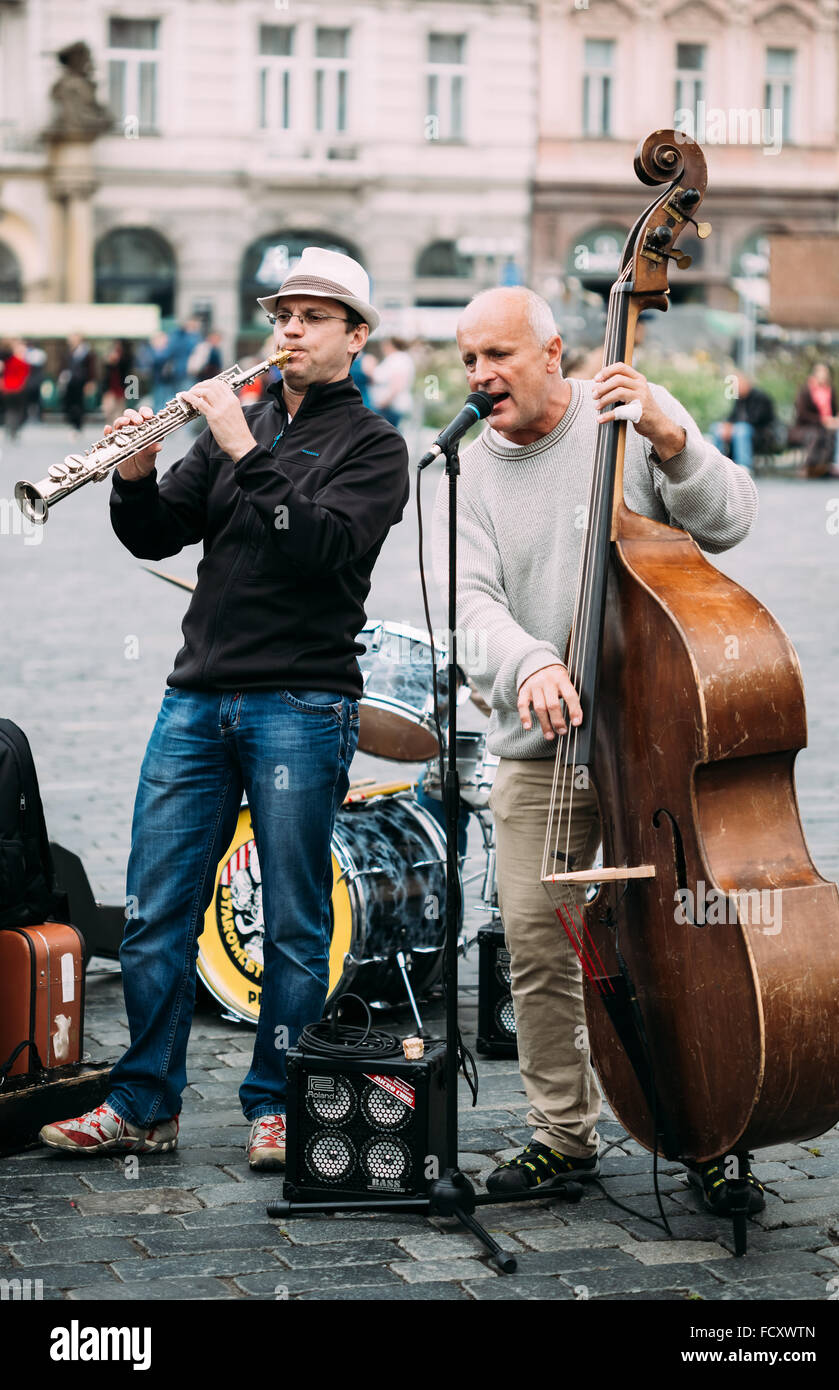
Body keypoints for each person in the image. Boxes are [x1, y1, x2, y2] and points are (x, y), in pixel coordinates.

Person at [39, 248, 410, 1170]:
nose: (288, 328)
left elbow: (318, 546)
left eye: (314, 316)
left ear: (356, 337)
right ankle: (143, 1104)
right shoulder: (235, 423)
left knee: (294, 920)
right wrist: (135, 470)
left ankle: (277, 1104)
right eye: (282, 313)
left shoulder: (375, 446)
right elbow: (156, 532)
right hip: (198, 698)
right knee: (159, 908)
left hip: (302, 700)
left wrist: (244, 452)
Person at [432, 286, 762, 1217]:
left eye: (498, 354)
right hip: (542, 742)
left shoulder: (625, 414)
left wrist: (673, 437)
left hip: (659, 738)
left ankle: (708, 1131)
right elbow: (470, 606)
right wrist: (530, 660)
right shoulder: (470, 469)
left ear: (553, 351)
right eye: (467, 360)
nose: (481, 376)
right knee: (539, 942)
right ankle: (560, 1134)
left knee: (680, 940)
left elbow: (731, 519)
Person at [788, 362, 839, 479]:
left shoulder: (831, 391)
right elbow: (802, 414)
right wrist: (823, 420)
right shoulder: (806, 391)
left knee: (834, 433)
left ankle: (826, 467)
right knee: (817, 435)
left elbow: (836, 411)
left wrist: (836, 420)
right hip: (805, 427)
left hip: (826, 426)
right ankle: (810, 467)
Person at [710, 370, 777, 474]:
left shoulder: (761, 397)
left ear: (747, 383)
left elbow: (756, 419)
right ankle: (718, 465)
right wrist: (727, 425)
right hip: (738, 431)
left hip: (760, 434)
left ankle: (743, 467)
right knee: (717, 428)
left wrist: (733, 427)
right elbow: (732, 416)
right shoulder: (739, 399)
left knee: (742, 429)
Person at [370, 336, 415, 431]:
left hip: (390, 407)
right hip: (390, 406)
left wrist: (384, 402)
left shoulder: (397, 359)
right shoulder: (399, 358)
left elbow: (397, 384)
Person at [60, 333, 96, 432]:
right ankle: (72, 423)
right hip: (70, 382)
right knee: (69, 403)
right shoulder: (69, 352)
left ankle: (78, 425)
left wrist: (90, 382)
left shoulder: (85, 353)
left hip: (81, 382)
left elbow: (91, 369)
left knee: (79, 404)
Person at [0, 340, 30, 440]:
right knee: (15, 411)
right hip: (15, 389)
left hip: (10, 389)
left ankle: (11, 428)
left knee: (11, 410)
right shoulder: (19, 362)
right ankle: (13, 429)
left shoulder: (9, 361)